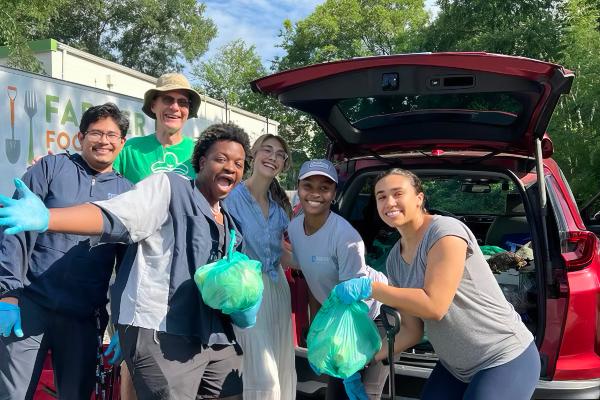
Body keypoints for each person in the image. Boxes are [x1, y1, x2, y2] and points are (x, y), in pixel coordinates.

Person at [0, 123, 254, 400]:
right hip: (164, 334)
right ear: (202, 162)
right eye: (221, 159)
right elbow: (115, 217)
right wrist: (49, 218)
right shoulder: (168, 188)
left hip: (216, 340)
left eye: (238, 163)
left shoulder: (230, 223)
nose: (231, 167)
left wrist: (243, 298)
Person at [334, 168, 540, 400]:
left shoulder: (445, 232)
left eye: (397, 193)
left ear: (419, 198)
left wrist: (371, 288)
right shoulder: (394, 258)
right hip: (455, 367)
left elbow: (435, 306)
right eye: (381, 196)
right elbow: (412, 330)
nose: (389, 202)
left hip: (505, 356)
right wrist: (363, 358)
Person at [0, 103, 133, 399]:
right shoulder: (50, 168)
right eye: (96, 133)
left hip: (84, 318)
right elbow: (14, 232)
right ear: (80, 137)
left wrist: (123, 324)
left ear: (122, 143)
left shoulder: (128, 194)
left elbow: (128, 268)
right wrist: (7, 295)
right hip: (29, 307)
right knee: (12, 394)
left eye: (112, 135)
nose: (104, 141)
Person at [285, 159, 389, 400]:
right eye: (308, 185)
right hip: (338, 320)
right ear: (298, 187)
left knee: (364, 393)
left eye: (324, 188)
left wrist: (347, 353)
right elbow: (312, 279)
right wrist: (315, 328)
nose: (315, 194)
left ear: (334, 194)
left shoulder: (345, 237)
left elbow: (356, 301)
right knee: (336, 394)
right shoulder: (294, 229)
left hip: (372, 316)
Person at [224, 134, 296, 400]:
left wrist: (322, 262)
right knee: (261, 374)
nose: (273, 157)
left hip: (277, 288)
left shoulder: (279, 210)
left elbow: (281, 256)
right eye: (267, 150)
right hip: (247, 292)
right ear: (253, 153)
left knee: (280, 365)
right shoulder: (231, 199)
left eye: (280, 154)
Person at [113, 72, 201, 183]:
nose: (175, 107)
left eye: (183, 102)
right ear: (153, 105)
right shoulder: (129, 150)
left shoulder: (200, 152)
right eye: (168, 100)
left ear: (188, 110)